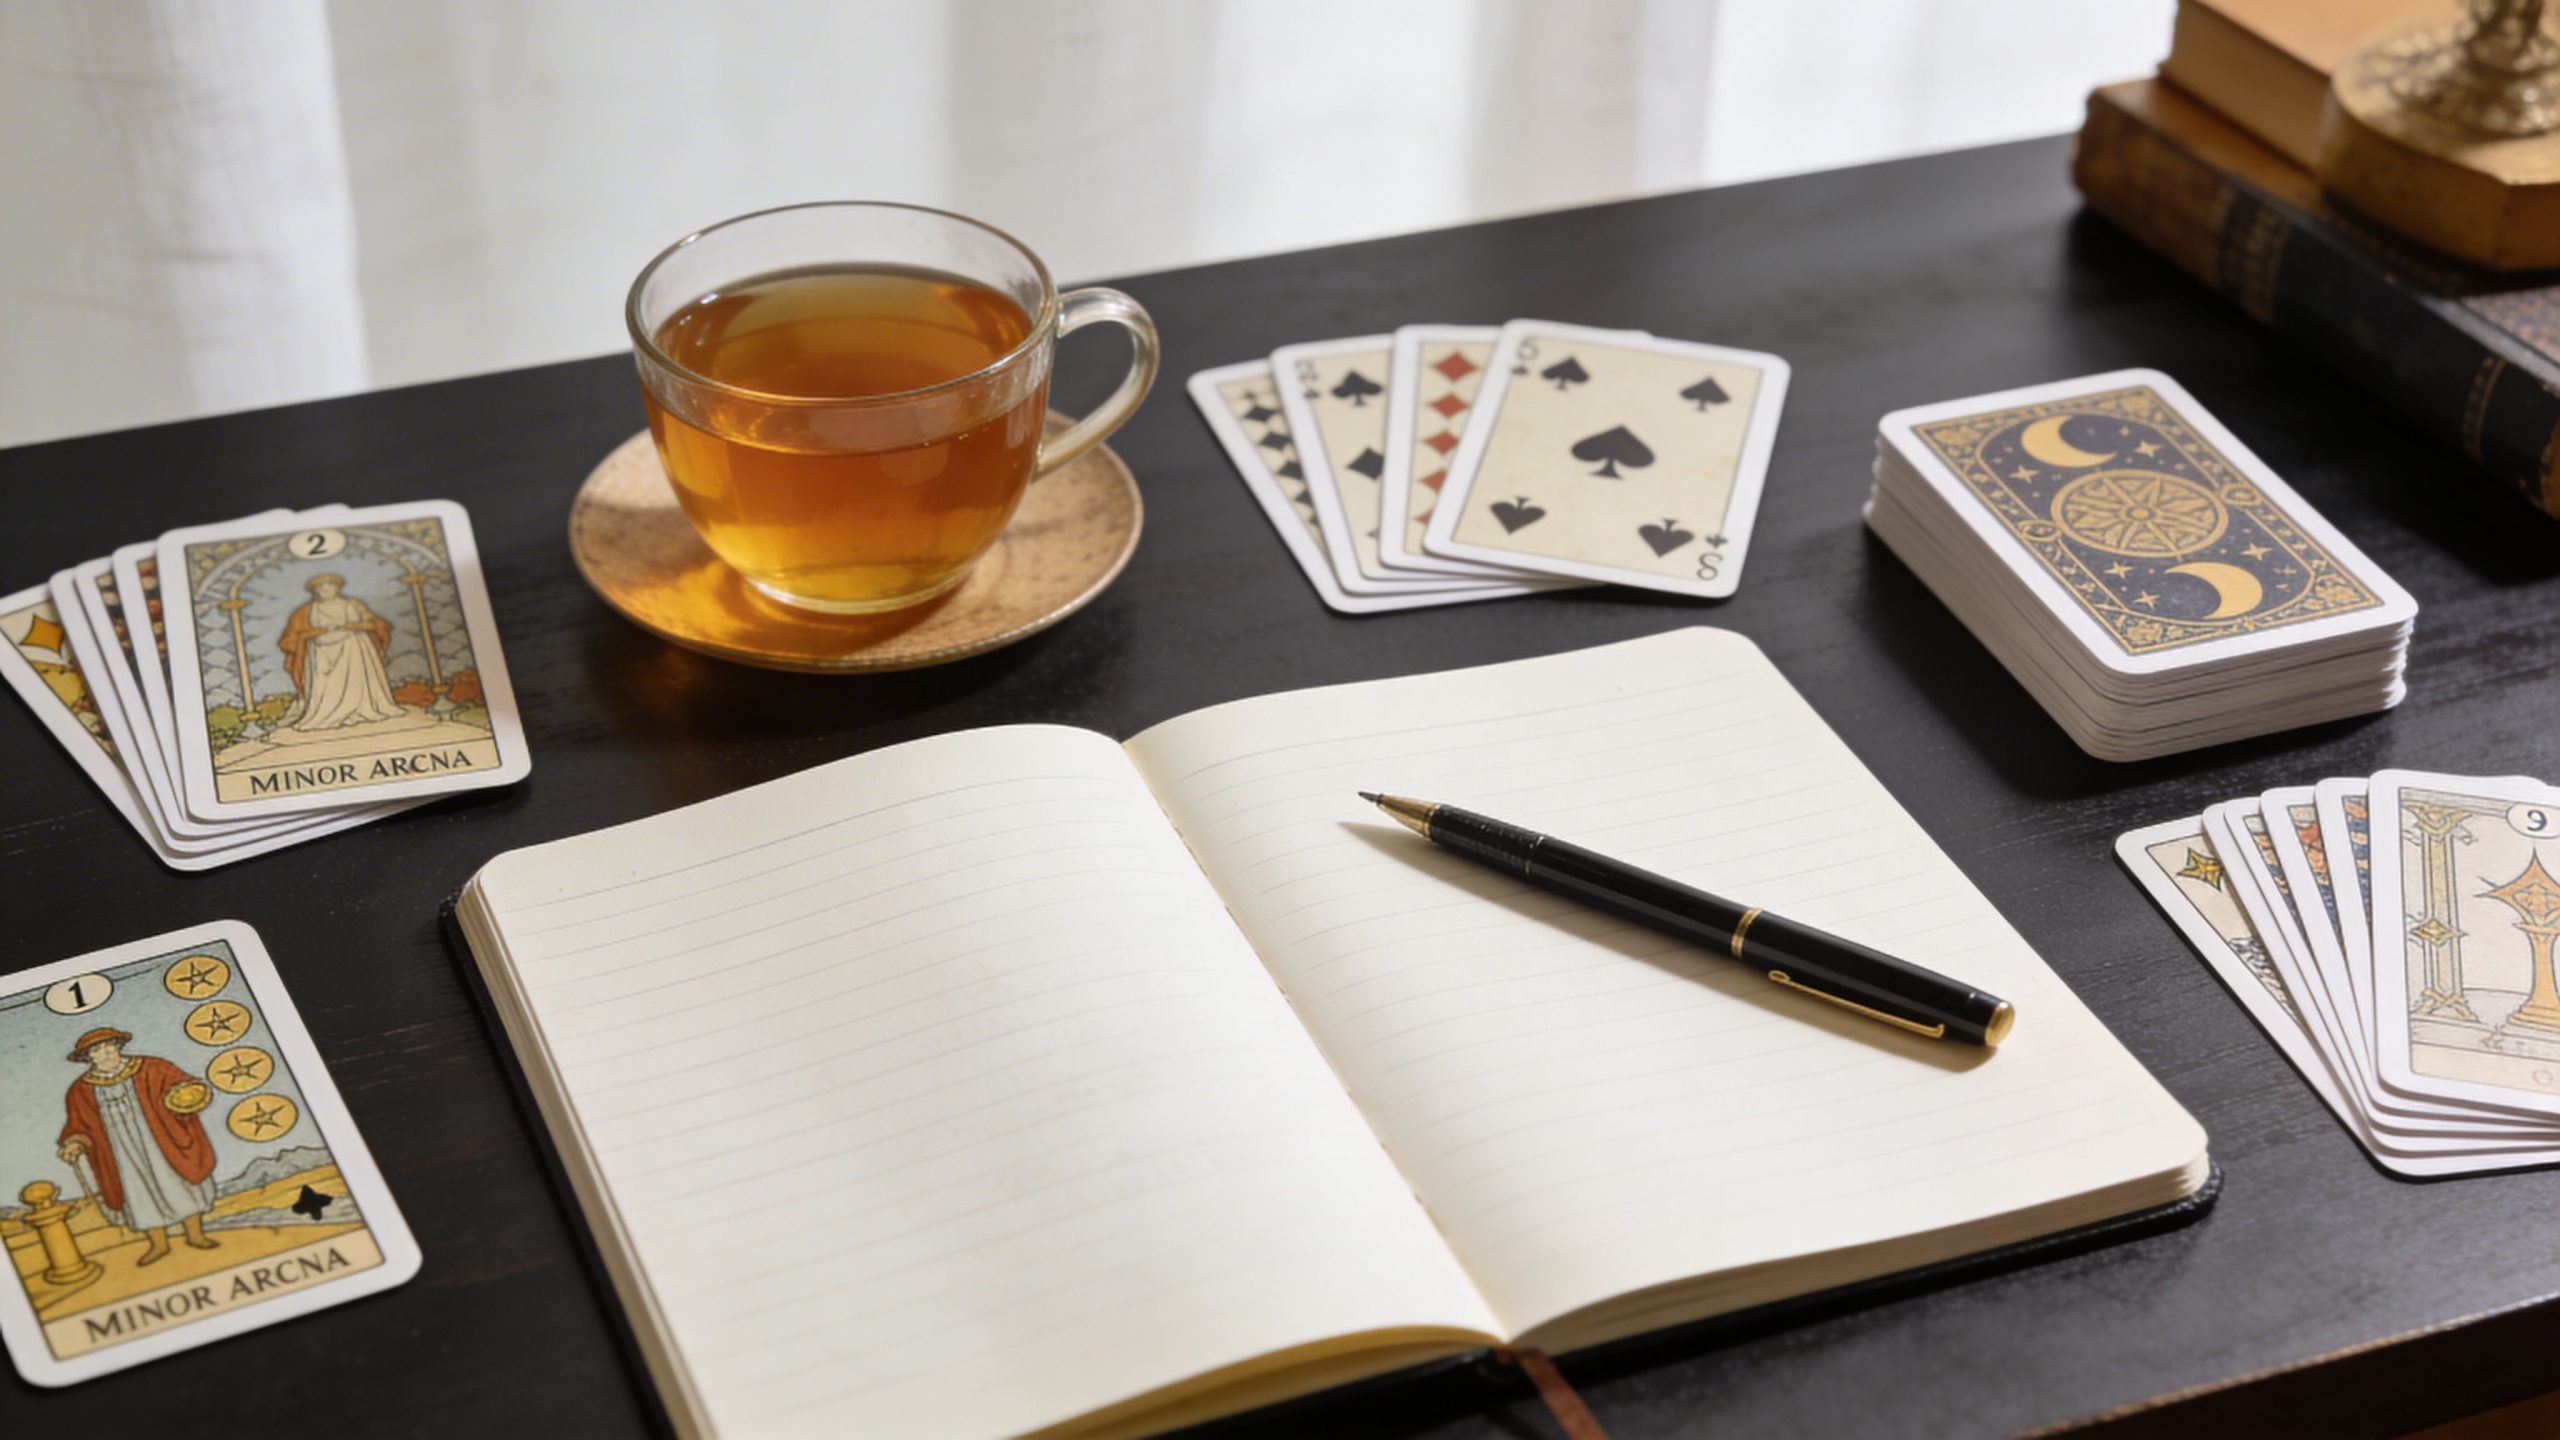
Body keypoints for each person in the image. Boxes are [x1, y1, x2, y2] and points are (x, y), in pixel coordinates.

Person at [56, 1028, 220, 1266]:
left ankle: (196, 1235)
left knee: (180, 1183)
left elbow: (185, 1086)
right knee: (138, 1193)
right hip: (120, 1154)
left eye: (108, 1047)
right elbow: (78, 1126)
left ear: (118, 1046)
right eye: (96, 1051)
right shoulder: (79, 1091)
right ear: (88, 1058)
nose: (105, 1054)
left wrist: (189, 1094)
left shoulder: (154, 1067)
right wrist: (73, 1143)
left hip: (162, 1143)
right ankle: (158, 1244)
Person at [273, 572, 404, 732]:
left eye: (329, 585)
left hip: (353, 648)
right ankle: (328, 714)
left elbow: (374, 624)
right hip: (320, 652)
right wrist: (319, 631)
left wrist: (352, 626)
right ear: (315, 591)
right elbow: (293, 637)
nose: (325, 589)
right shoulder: (306, 611)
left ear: (337, 588)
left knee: (357, 681)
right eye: (320, 587)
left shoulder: (353, 604)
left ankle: (361, 709)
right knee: (325, 687)